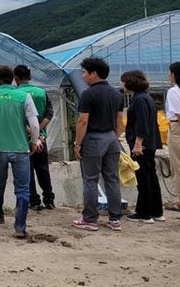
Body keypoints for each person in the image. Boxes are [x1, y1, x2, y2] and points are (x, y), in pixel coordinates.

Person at [0, 65, 40, 238]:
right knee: (22, 189)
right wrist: (34, 142)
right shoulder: (24, 96)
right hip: (20, 149)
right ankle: (20, 226)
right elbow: (34, 125)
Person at [72, 57, 125, 232]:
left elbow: (82, 121)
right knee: (112, 179)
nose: (83, 76)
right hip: (111, 138)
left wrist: (78, 143)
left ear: (94, 74)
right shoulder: (117, 94)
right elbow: (120, 122)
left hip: (94, 139)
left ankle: (90, 219)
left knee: (90, 179)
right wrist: (113, 137)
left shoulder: (88, 94)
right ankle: (115, 219)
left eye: (85, 72)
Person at [120, 70, 164, 223]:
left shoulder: (139, 100)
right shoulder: (146, 98)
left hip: (142, 145)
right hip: (150, 143)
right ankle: (156, 211)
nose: (122, 85)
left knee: (143, 177)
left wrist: (138, 144)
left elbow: (142, 123)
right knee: (151, 176)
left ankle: (144, 213)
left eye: (124, 82)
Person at [14, 65, 55, 211]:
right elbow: (49, 113)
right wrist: (38, 130)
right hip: (41, 139)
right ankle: (49, 199)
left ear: (16, 78)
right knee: (43, 169)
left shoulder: (15, 94)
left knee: (28, 170)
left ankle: (34, 201)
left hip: (22, 139)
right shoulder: (41, 92)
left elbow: (16, 117)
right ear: (30, 77)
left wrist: (30, 131)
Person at [165, 61, 180, 213]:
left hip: (179, 128)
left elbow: (179, 115)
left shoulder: (174, 91)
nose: (168, 75)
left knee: (179, 165)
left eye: (170, 72)